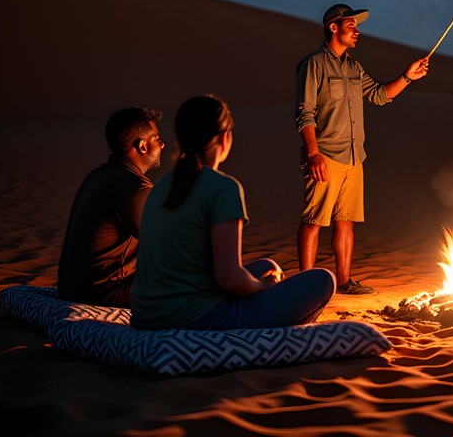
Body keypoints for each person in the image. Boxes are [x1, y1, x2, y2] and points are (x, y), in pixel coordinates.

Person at [131, 95, 335, 330]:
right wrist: (264, 287)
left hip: (147, 315)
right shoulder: (223, 188)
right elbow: (229, 279)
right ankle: (276, 341)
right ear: (224, 137)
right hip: (196, 318)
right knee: (324, 281)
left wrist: (261, 280)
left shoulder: (161, 186)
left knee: (266, 265)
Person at [296, 3, 430, 295]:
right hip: (326, 156)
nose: (357, 31)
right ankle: (302, 286)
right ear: (334, 27)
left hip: (355, 158)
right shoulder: (314, 64)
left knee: (346, 223)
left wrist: (408, 77)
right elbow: (305, 112)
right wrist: (313, 153)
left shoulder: (354, 67)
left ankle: (344, 281)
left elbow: (380, 95)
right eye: (351, 25)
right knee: (314, 221)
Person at [57, 106, 164, 307]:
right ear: (142, 146)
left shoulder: (97, 176)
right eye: (157, 138)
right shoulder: (135, 187)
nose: (163, 144)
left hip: (70, 291)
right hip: (104, 295)